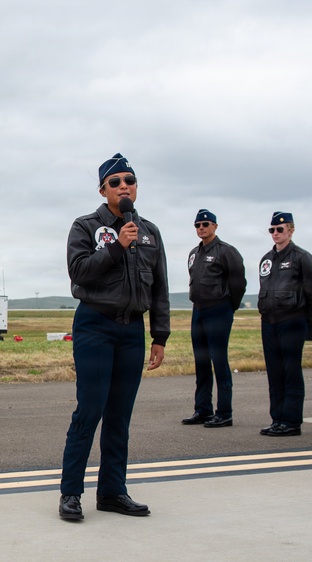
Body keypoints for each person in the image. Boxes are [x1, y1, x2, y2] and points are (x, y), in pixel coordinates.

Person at [59, 153, 169, 521]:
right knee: (90, 410)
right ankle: (71, 493)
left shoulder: (149, 231)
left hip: (131, 330)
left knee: (120, 415)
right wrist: (117, 245)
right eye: (116, 182)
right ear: (103, 189)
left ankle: (112, 492)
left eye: (130, 181)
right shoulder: (86, 227)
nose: (124, 187)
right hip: (95, 325)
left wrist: (160, 336)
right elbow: (79, 272)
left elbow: (160, 289)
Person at [257, 212, 312, 437]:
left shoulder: (302, 257)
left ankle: (292, 421)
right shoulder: (267, 259)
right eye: (272, 230)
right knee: (275, 373)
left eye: (280, 230)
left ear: (291, 231)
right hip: (270, 322)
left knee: (290, 372)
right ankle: (278, 418)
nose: (275, 234)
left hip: (292, 321)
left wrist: (304, 317)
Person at [182, 209, 246, 428]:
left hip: (218, 310)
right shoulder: (194, 253)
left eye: (206, 224)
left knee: (219, 361)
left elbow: (238, 284)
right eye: (198, 225)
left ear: (215, 227)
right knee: (201, 362)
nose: (201, 228)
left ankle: (224, 412)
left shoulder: (226, 251)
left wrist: (228, 307)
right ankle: (203, 409)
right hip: (198, 310)